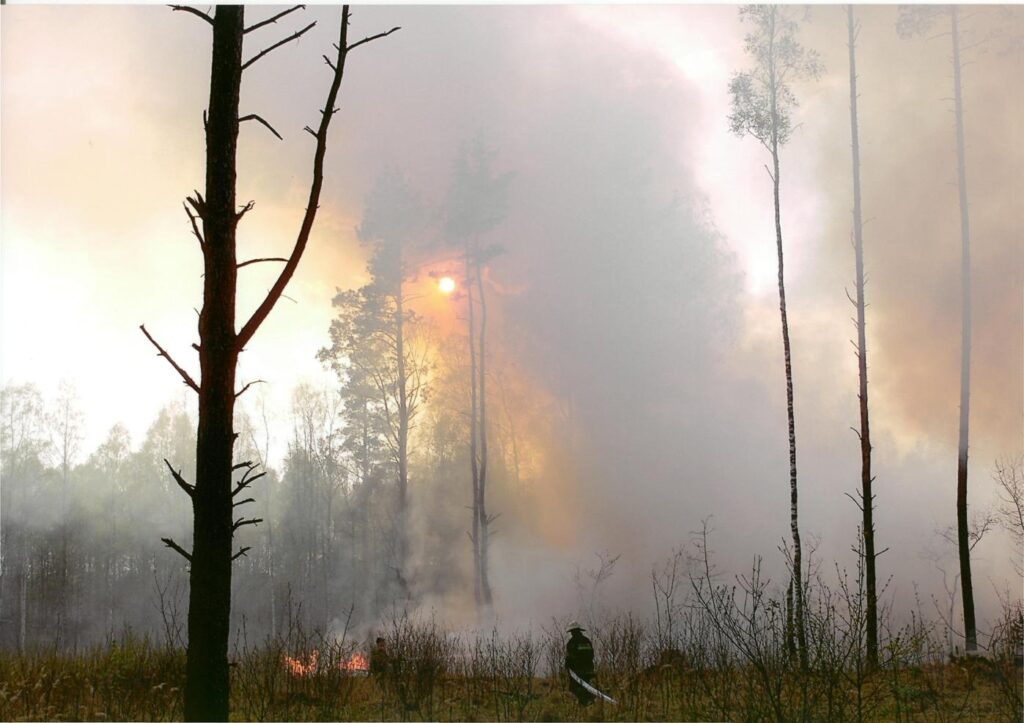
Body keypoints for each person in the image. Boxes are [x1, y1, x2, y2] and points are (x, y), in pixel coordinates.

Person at [564, 621, 596, 706]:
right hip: (589, 669)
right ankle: (589, 702)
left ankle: (585, 704)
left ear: (572, 632)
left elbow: (570, 657)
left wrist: (567, 666)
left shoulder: (572, 642)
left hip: (577, 671)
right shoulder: (587, 640)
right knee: (587, 686)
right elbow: (592, 655)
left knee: (575, 688)